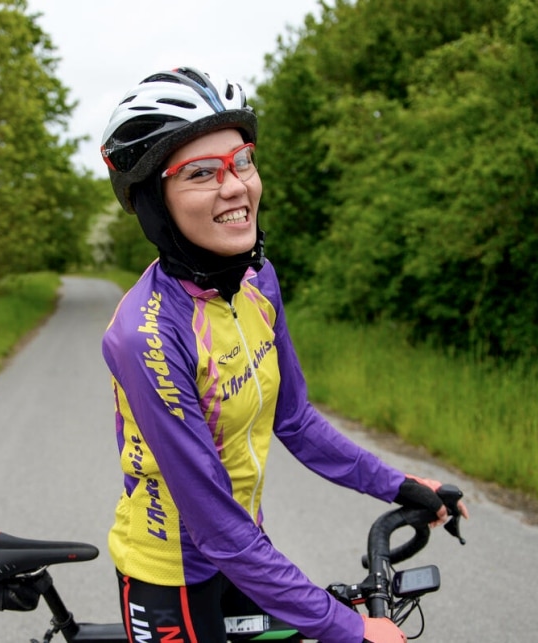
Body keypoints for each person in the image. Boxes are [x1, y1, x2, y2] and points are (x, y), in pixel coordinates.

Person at [99, 67, 468, 643]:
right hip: (171, 574)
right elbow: (214, 525)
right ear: (153, 201)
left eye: (241, 160)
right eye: (201, 173)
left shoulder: (258, 280)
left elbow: (293, 418)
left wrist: (398, 484)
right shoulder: (146, 337)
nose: (235, 186)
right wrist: (347, 628)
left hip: (247, 551)